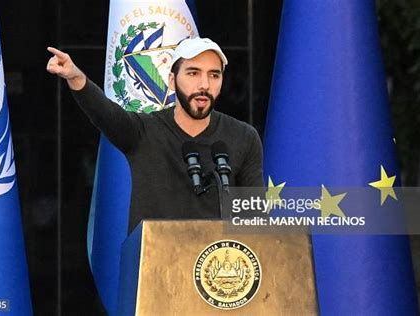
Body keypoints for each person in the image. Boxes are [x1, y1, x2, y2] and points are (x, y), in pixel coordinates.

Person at [46, 37, 264, 231]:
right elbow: (105, 113)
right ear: (172, 80)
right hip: (155, 267)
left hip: (219, 268)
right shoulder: (144, 131)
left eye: (214, 75)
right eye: (193, 73)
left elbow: (255, 217)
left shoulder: (243, 136)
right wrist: (75, 78)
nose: (204, 85)